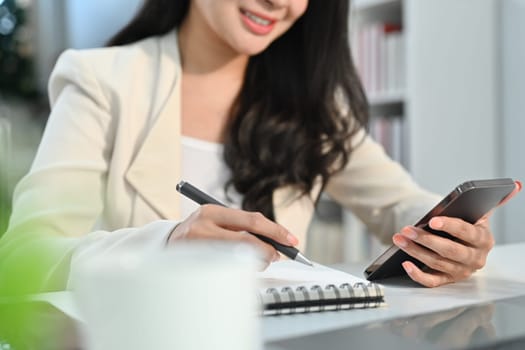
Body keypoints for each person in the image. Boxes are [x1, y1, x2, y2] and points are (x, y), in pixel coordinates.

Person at [0, 0, 520, 295]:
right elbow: (23, 256)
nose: (281, 3)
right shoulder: (101, 81)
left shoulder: (312, 105)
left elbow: (396, 202)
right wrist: (166, 244)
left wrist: (448, 238)